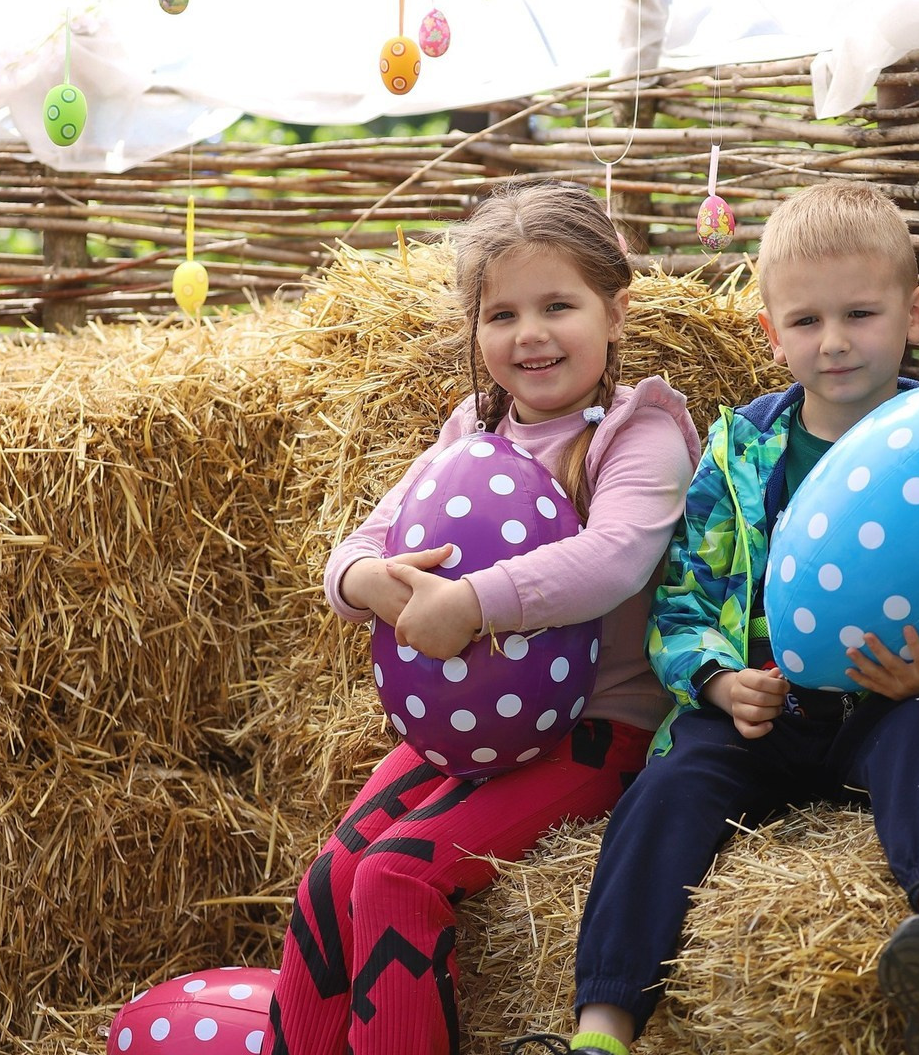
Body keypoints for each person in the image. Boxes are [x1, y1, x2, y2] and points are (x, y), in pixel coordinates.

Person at [507, 181, 919, 1055]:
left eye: (861, 315)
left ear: (916, 315)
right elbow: (682, 599)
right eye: (805, 322)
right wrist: (718, 683)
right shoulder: (739, 451)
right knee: (665, 795)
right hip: (766, 708)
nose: (833, 344)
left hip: (890, 700)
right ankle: (600, 1030)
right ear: (769, 331)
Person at [267, 179, 701, 1055]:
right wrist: (371, 586)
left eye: (558, 305)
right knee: (329, 881)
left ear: (615, 312)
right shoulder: (474, 429)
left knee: (396, 875)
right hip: (463, 733)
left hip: (593, 732)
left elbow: (615, 557)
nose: (529, 334)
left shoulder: (638, 431)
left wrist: (467, 606)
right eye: (501, 314)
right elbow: (358, 545)